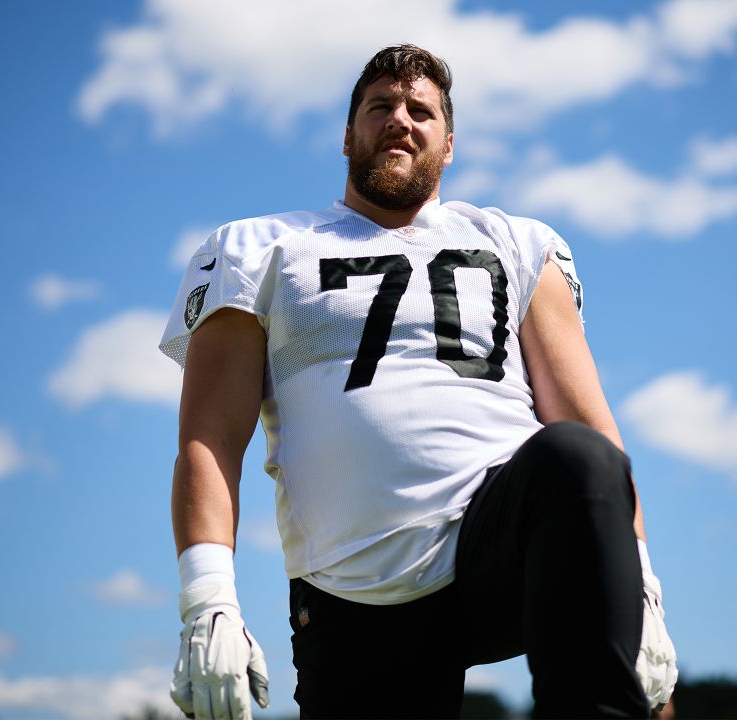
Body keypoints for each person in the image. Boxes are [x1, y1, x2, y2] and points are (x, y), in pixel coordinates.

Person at [160, 44, 677, 719]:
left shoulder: (517, 243)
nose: (400, 119)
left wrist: (637, 579)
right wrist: (209, 598)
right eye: (381, 106)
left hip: (500, 546)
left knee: (575, 456)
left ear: (449, 143)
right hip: (356, 588)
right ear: (348, 136)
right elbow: (209, 437)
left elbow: (589, 429)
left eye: (420, 110)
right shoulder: (259, 249)